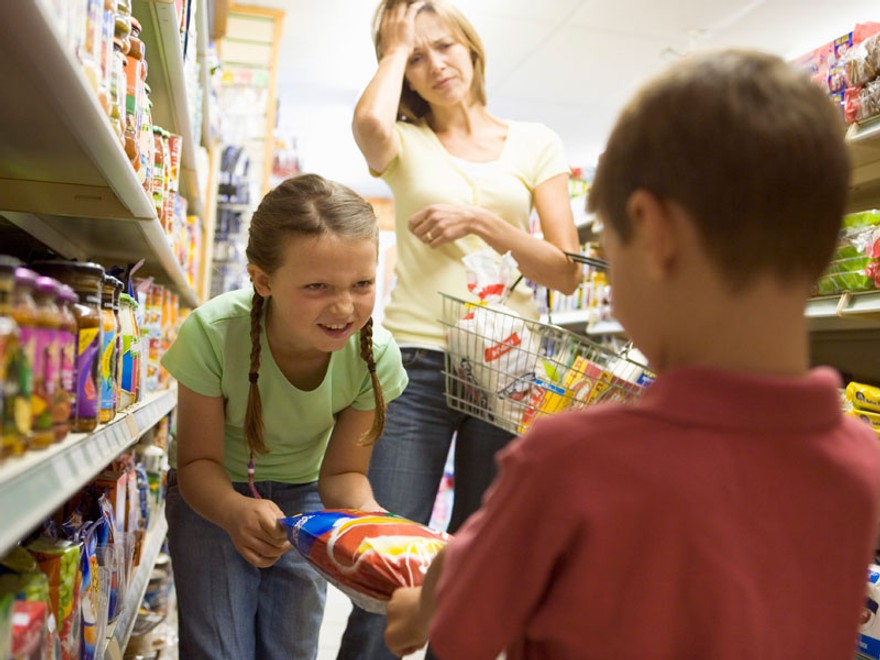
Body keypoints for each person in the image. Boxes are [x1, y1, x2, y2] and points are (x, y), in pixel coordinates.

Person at [382, 49, 880, 659]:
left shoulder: (567, 462)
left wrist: (425, 604)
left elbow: (465, 631)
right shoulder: (861, 464)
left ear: (654, 233)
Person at [340, 1, 582, 655]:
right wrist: (394, 46)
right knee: (384, 560)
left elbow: (567, 271)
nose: (434, 65)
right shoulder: (402, 141)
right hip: (414, 362)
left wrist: (486, 225)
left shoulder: (535, 143)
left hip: (507, 363)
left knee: (478, 565)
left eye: (443, 46)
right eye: (415, 58)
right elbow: (367, 121)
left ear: (472, 48)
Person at [161, 173, 409, 660]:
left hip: (307, 503)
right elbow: (196, 466)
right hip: (213, 496)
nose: (344, 307)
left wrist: (376, 527)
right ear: (262, 280)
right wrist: (233, 511)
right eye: (317, 286)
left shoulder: (374, 356)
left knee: (292, 647)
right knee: (218, 648)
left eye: (362, 284)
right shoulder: (212, 333)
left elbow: (342, 475)